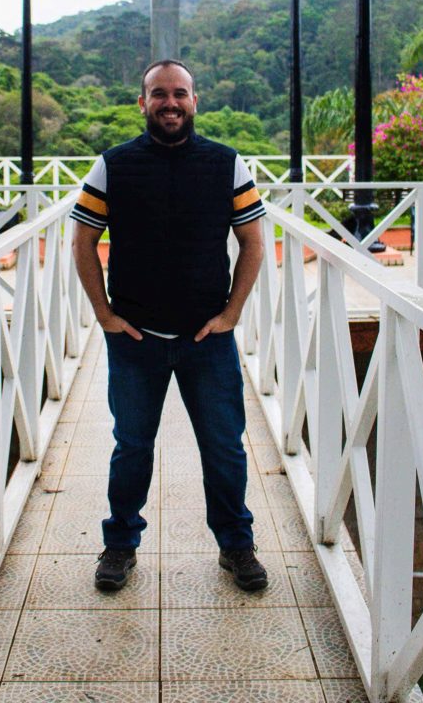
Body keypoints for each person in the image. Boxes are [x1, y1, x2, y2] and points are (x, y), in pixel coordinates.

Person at [71, 59, 267, 592]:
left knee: (224, 446)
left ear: (195, 100)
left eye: (180, 93)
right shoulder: (112, 166)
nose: (170, 102)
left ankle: (236, 545)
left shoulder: (228, 165)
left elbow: (253, 242)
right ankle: (119, 545)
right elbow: (82, 242)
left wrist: (232, 314)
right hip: (136, 340)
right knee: (131, 446)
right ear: (143, 103)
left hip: (209, 339)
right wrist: (104, 316)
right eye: (159, 94)